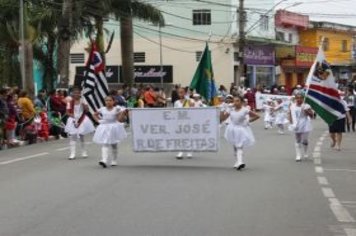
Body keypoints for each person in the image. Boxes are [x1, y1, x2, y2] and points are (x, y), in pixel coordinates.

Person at [221, 95, 260, 170]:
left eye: (237, 101)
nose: (235, 103)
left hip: (241, 129)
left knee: (239, 146)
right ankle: (237, 161)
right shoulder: (231, 109)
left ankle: (240, 162)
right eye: (234, 101)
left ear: (241, 102)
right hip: (232, 129)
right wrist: (223, 109)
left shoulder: (245, 110)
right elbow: (222, 119)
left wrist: (248, 122)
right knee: (235, 146)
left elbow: (257, 116)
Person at [93, 96, 128, 168]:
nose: (108, 102)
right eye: (106, 100)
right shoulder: (102, 109)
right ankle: (104, 160)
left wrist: (122, 113)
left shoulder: (116, 109)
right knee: (105, 143)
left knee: (114, 144)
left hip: (113, 127)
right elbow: (94, 114)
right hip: (105, 127)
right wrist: (99, 121)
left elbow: (119, 120)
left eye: (110, 100)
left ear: (113, 101)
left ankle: (114, 160)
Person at [65, 87, 95, 160]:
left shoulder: (83, 100)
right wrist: (72, 116)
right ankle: (72, 153)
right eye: (75, 93)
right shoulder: (70, 102)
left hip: (82, 119)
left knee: (81, 136)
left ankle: (83, 151)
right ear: (72, 94)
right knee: (72, 136)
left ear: (80, 94)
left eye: (78, 93)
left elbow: (87, 110)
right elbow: (67, 112)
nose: (76, 94)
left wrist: (84, 104)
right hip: (73, 120)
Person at [289, 93, 314, 161]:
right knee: (297, 139)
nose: (299, 99)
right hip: (296, 124)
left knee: (304, 140)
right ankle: (298, 155)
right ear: (295, 99)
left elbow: (312, 116)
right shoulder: (292, 106)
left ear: (303, 99)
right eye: (297, 98)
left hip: (305, 123)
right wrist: (291, 123)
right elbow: (290, 114)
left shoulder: (306, 106)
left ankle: (305, 152)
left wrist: (307, 112)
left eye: (301, 98)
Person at [174, 87, 194, 159]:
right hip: (180, 122)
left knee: (188, 136)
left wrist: (187, 99)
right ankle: (180, 151)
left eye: (182, 92)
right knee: (180, 137)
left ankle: (189, 151)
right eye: (179, 92)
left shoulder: (190, 100)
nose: (180, 94)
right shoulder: (176, 102)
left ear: (185, 93)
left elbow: (192, 106)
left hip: (189, 121)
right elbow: (175, 113)